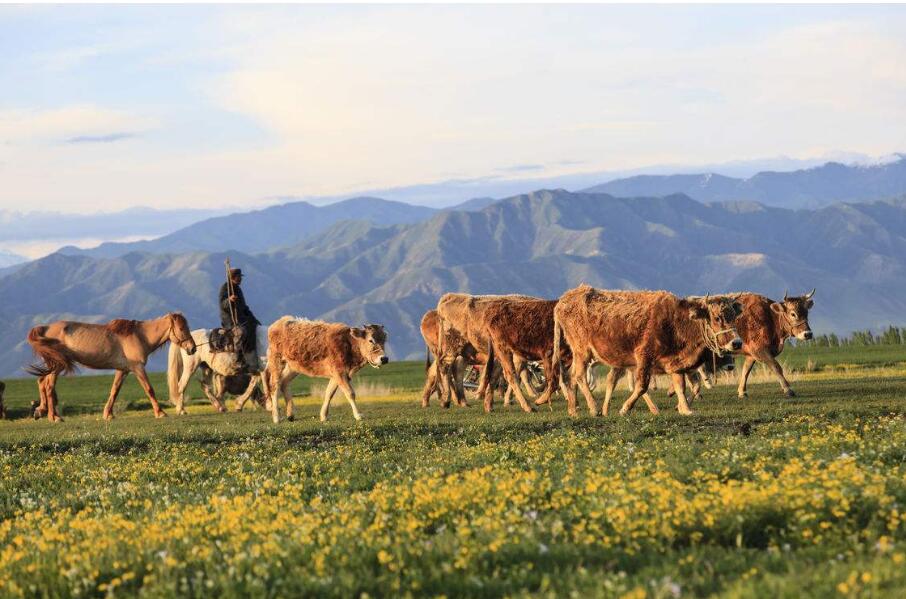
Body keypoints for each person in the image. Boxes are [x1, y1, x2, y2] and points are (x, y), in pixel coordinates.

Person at [219, 268, 261, 369]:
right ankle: (237, 357)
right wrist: (229, 300)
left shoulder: (237, 289)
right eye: (239, 277)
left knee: (254, 327)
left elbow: (244, 307)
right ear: (233, 277)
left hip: (241, 317)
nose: (240, 279)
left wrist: (254, 319)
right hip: (230, 319)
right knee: (242, 331)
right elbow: (222, 304)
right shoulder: (225, 288)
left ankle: (251, 357)